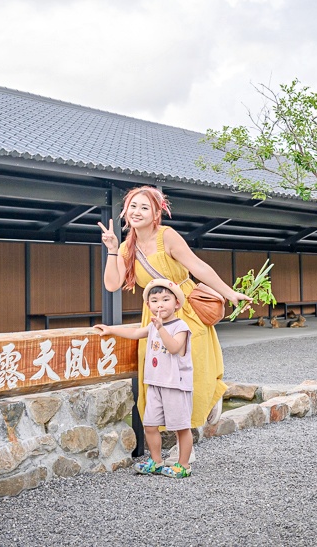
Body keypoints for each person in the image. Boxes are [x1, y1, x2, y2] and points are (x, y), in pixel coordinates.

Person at [98, 186, 250, 431]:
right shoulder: (126, 248)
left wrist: (228, 292)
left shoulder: (166, 236)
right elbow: (112, 284)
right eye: (133, 206)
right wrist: (112, 249)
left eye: (144, 207)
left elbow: (197, 267)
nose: (137, 212)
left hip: (184, 306)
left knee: (192, 365)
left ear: (156, 213)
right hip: (156, 313)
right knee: (159, 372)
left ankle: (206, 403)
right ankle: (170, 430)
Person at [95, 278, 194, 478]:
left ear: (176, 303)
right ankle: (156, 461)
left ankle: (183, 465)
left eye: (166, 299)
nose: (160, 304)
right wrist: (111, 329)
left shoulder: (180, 326)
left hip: (175, 385)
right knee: (150, 425)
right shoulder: (152, 327)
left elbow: (174, 348)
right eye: (155, 300)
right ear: (148, 305)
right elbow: (134, 332)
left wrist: (160, 328)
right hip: (155, 383)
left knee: (181, 427)